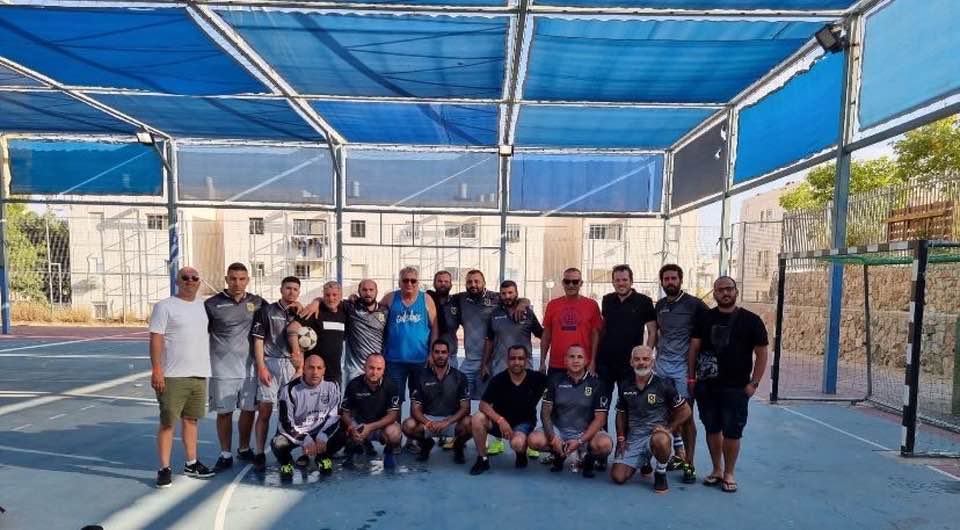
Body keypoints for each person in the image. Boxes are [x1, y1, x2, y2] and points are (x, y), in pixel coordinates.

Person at [692, 276, 768, 494]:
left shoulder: (751, 320)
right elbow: (694, 349)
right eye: (720, 290)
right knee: (712, 428)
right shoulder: (704, 318)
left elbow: (762, 353)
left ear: (736, 291)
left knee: (733, 431)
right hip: (707, 386)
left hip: (736, 387)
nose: (725, 293)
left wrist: (754, 383)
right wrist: (691, 379)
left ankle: (729, 473)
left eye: (729, 289)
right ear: (714, 293)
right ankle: (717, 469)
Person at [150, 266, 214, 488]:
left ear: (199, 282)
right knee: (168, 423)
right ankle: (164, 468)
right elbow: (156, 339)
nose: (190, 281)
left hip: (199, 373)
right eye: (185, 278)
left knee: (191, 420)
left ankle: (191, 463)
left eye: (194, 278)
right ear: (177, 281)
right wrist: (157, 369)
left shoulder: (203, 306)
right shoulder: (164, 306)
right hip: (172, 375)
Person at [204, 262, 265, 471]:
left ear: (248, 280)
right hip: (222, 370)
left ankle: (244, 448)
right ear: (226, 279)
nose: (237, 283)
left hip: (250, 370)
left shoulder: (258, 303)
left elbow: (279, 312)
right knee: (224, 413)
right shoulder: (211, 304)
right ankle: (225, 453)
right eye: (233, 278)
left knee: (249, 410)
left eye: (241, 279)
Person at [655, 263, 708, 484]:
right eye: (666, 279)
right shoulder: (660, 305)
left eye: (673, 278)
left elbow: (706, 333)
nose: (670, 282)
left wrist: (693, 373)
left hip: (683, 370)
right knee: (667, 414)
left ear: (681, 280)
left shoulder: (695, 304)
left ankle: (690, 463)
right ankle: (677, 455)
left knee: (685, 417)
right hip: (661, 367)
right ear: (662, 282)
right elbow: (659, 334)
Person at [611, 346, 691, 493]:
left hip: (656, 435)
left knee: (661, 440)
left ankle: (660, 472)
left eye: (646, 359)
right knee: (618, 477)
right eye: (637, 359)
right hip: (634, 437)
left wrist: (669, 429)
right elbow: (621, 413)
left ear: (652, 362)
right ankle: (644, 460)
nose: (641, 362)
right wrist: (621, 437)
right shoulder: (625, 384)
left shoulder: (663, 384)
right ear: (631, 362)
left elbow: (686, 410)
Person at [528, 345, 612, 478]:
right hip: (559, 431)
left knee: (605, 445)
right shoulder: (554, 380)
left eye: (580, 357)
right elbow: (545, 413)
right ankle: (558, 453)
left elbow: (600, 419)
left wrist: (579, 441)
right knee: (534, 440)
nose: (575, 360)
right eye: (571, 356)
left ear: (586, 361)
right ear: (565, 360)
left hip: (585, 433)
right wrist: (553, 439)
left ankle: (587, 457)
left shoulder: (597, 383)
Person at [250, 276, 304, 472]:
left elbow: (305, 342)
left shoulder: (301, 313)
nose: (291, 292)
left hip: (291, 366)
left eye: (295, 289)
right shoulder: (266, 311)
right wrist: (261, 367)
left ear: (299, 292)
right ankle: (259, 452)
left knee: (290, 413)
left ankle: (285, 451)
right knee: (264, 410)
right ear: (281, 289)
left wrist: (300, 367)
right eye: (288, 288)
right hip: (270, 364)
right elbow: (258, 341)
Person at [469, 345, 547, 475]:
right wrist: (500, 420)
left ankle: (521, 453)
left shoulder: (537, 378)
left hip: (523, 423)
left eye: (520, 358)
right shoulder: (498, 379)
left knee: (517, 443)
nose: (516, 362)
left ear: (526, 360)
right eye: (513, 358)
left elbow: (556, 384)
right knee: (477, 418)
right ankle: (482, 459)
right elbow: (483, 404)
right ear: (507, 360)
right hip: (500, 423)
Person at [299, 279, 387, 384]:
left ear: (377, 291)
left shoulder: (385, 311)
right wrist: (316, 302)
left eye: (371, 290)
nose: (368, 293)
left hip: (376, 365)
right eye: (364, 290)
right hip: (355, 368)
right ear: (359, 291)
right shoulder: (350, 307)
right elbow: (331, 300)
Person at [271, 354, 343, 480]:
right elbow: (285, 424)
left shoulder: (332, 386)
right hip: (297, 432)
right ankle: (286, 462)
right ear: (303, 369)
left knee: (344, 434)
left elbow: (334, 416)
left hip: (319, 430)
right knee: (278, 443)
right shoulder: (289, 390)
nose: (315, 372)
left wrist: (323, 435)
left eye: (319, 368)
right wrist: (304, 438)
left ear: (324, 370)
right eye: (311, 367)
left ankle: (322, 457)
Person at [403, 339, 471, 463]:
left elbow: (465, 408)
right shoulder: (420, 376)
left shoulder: (460, 377)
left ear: (448, 354)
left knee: (470, 423)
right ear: (432, 354)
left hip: (451, 421)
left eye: (443, 352)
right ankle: (426, 444)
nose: (440, 355)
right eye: (437, 352)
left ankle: (458, 446)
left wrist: (447, 421)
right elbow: (415, 409)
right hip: (428, 421)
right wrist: (428, 422)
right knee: (408, 425)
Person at [596, 264, 657, 398]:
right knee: (601, 403)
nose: (621, 283)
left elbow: (652, 331)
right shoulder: (607, 300)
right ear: (613, 282)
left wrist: (646, 355)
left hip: (630, 363)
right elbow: (603, 328)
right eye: (617, 280)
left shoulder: (644, 301)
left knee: (629, 404)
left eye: (624, 280)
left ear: (631, 281)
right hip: (606, 362)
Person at [381, 267, 438, 402]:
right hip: (394, 360)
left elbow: (435, 328)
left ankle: (415, 418)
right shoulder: (390, 298)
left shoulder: (426, 299)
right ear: (399, 282)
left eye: (413, 281)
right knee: (394, 401)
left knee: (419, 400)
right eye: (405, 280)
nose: (409, 284)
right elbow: (372, 312)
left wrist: (432, 353)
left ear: (418, 282)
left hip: (420, 360)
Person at [341, 353, 403, 469]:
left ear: (384, 370)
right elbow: (345, 412)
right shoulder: (353, 385)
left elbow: (393, 415)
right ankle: (350, 454)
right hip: (360, 426)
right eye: (371, 368)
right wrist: (352, 427)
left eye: (379, 369)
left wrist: (370, 427)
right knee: (342, 425)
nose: (374, 372)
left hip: (381, 427)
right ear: (364, 367)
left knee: (394, 432)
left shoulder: (391, 385)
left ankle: (388, 452)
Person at [540, 268, 602, 376]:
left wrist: (593, 361)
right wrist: (542, 361)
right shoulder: (552, 305)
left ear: (581, 283)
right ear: (563, 283)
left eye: (575, 282)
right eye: (567, 281)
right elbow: (546, 335)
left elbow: (595, 335)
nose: (571, 285)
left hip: (582, 365)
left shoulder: (592, 305)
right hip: (557, 365)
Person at [482, 280, 543, 380]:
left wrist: (543, 361)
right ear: (500, 295)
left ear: (516, 293)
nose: (507, 296)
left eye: (510, 293)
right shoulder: (494, 314)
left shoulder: (528, 313)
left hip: (524, 369)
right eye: (503, 293)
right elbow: (490, 341)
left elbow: (542, 335)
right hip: (500, 370)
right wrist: (484, 364)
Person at [289, 281, 346, 384]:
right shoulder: (314, 311)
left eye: (334, 295)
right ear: (323, 295)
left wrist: (317, 300)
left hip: (335, 374)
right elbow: (292, 328)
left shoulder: (344, 312)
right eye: (327, 295)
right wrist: (296, 352)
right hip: (314, 373)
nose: (331, 298)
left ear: (340, 296)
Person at [427, 270, 459, 368]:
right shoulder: (426, 301)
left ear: (451, 284)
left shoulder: (457, 302)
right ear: (434, 284)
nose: (443, 284)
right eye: (440, 281)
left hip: (450, 356)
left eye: (446, 281)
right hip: (428, 355)